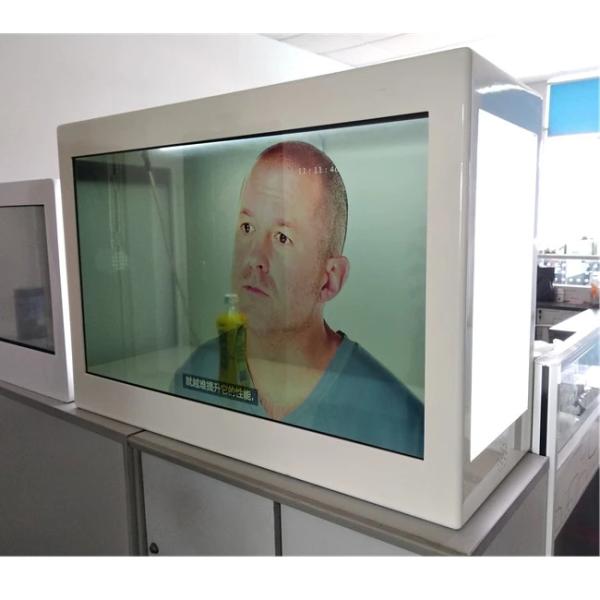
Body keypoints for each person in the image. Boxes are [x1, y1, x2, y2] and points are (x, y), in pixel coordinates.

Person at [172, 141, 423, 458]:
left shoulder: (400, 426)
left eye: (282, 237)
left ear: (329, 279)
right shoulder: (196, 375)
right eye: (247, 227)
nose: (254, 257)